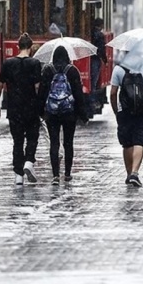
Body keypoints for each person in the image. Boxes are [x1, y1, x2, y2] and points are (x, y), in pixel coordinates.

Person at [0, 33, 42, 185]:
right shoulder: (35, 63)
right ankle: (29, 162)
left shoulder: (8, 63)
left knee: (17, 141)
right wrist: (41, 106)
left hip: (14, 109)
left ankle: (18, 175)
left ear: (18, 46)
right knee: (32, 137)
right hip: (31, 108)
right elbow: (37, 87)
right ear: (31, 47)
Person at [38, 46, 88, 183]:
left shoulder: (48, 70)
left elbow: (42, 92)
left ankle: (55, 175)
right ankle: (67, 173)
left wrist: (40, 111)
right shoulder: (72, 71)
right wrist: (83, 114)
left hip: (52, 112)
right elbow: (78, 94)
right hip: (69, 112)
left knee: (54, 143)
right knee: (68, 143)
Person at [110, 61, 143, 187]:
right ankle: (135, 172)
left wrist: (117, 111)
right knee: (139, 141)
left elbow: (113, 93)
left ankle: (129, 175)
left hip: (125, 112)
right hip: (142, 111)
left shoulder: (118, 69)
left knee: (127, 143)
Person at [90, 18, 107, 92]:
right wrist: (105, 60)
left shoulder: (91, 33)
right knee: (94, 79)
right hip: (96, 58)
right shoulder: (100, 35)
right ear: (101, 25)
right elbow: (102, 49)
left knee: (92, 80)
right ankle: (93, 97)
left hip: (91, 57)